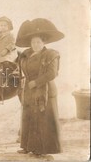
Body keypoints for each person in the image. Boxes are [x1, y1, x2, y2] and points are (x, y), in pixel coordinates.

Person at [16, 18, 64, 160]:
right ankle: (29, 147)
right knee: (29, 118)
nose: (35, 44)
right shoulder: (26, 55)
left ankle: (44, 150)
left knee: (44, 120)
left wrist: (36, 82)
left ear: (44, 43)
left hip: (46, 91)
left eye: (38, 42)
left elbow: (52, 73)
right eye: (33, 42)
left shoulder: (51, 55)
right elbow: (22, 71)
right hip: (30, 91)